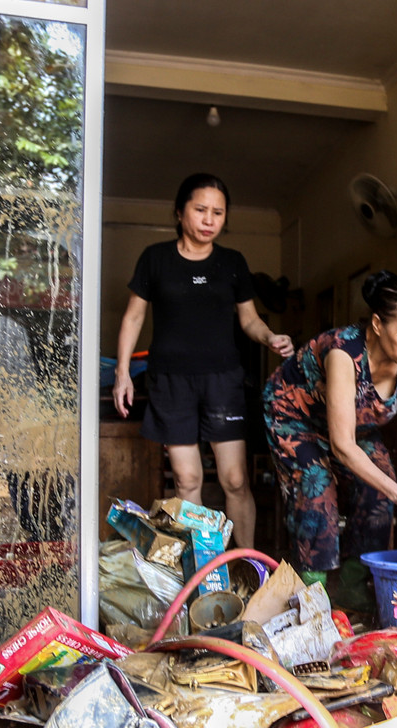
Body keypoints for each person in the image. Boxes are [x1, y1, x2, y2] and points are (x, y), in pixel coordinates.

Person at [113, 173, 293, 550]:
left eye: (218, 212)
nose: (210, 220)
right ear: (180, 213)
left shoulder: (232, 263)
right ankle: (202, 566)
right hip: (171, 382)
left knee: (235, 480)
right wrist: (122, 372)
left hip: (222, 381)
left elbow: (249, 319)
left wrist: (269, 336)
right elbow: (133, 317)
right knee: (187, 480)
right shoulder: (156, 258)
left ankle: (248, 562)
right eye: (200, 210)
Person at [263, 271, 397, 605]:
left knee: (380, 488)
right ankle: (315, 594)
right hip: (295, 417)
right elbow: (342, 445)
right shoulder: (344, 352)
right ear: (377, 324)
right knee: (317, 485)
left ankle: (355, 589)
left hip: (354, 426)